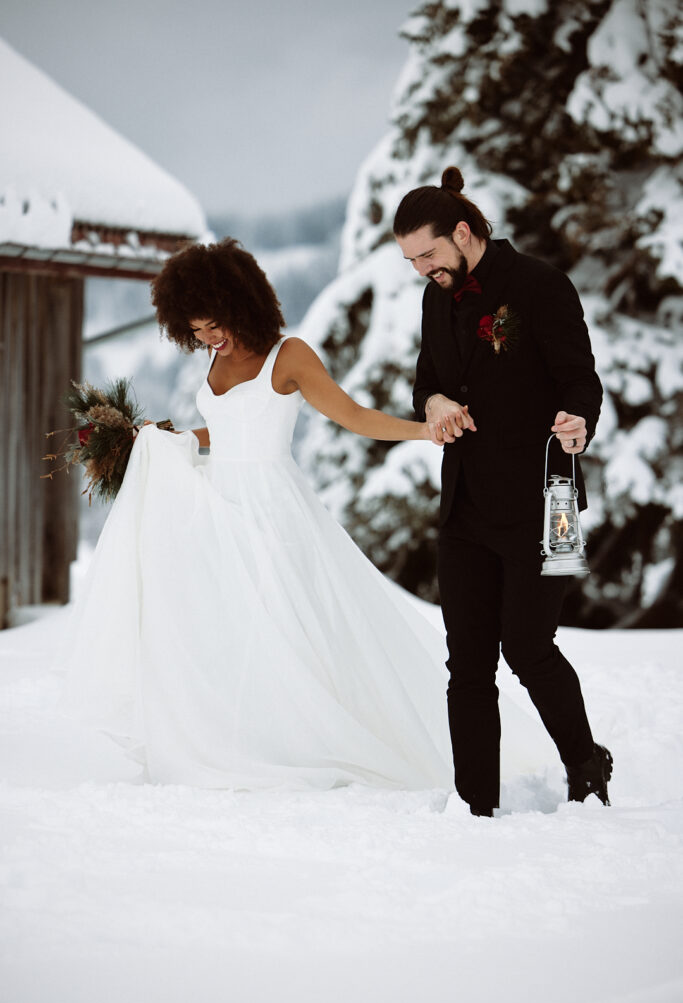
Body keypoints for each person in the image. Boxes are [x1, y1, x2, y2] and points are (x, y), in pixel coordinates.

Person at [61, 237, 541, 792]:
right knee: (228, 629)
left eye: (215, 324)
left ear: (241, 302)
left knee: (288, 630)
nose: (209, 338)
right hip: (218, 505)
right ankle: (242, 741)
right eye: (197, 330)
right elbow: (229, 428)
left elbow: (352, 415)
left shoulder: (288, 356)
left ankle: (310, 743)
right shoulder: (216, 356)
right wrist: (165, 440)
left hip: (272, 510)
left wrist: (426, 432)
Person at [394, 166, 613, 817]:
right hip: (463, 502)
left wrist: (578, 419)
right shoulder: (435, 299)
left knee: (527, 647)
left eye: (428, 254)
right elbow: (427, 380)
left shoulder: (540, 285)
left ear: (463, 233)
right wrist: (433, 402)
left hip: (551, 500)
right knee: (467, 663)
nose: (421, 270)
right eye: (411, 261)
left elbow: (581, 379)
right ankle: (475, 807)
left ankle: (586, 765)